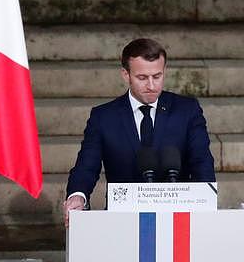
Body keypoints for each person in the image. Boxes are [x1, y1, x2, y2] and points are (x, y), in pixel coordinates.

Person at [63, 38, 216, 225]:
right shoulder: (103, 117)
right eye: (142, 78)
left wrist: (205, 205)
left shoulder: (187, 110)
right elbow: (86, 166)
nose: (151, 85)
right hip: (121, 221)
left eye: (157, 76)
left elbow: (202, 162)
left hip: (179, 222)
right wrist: (77, 196)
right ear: (126, 75)